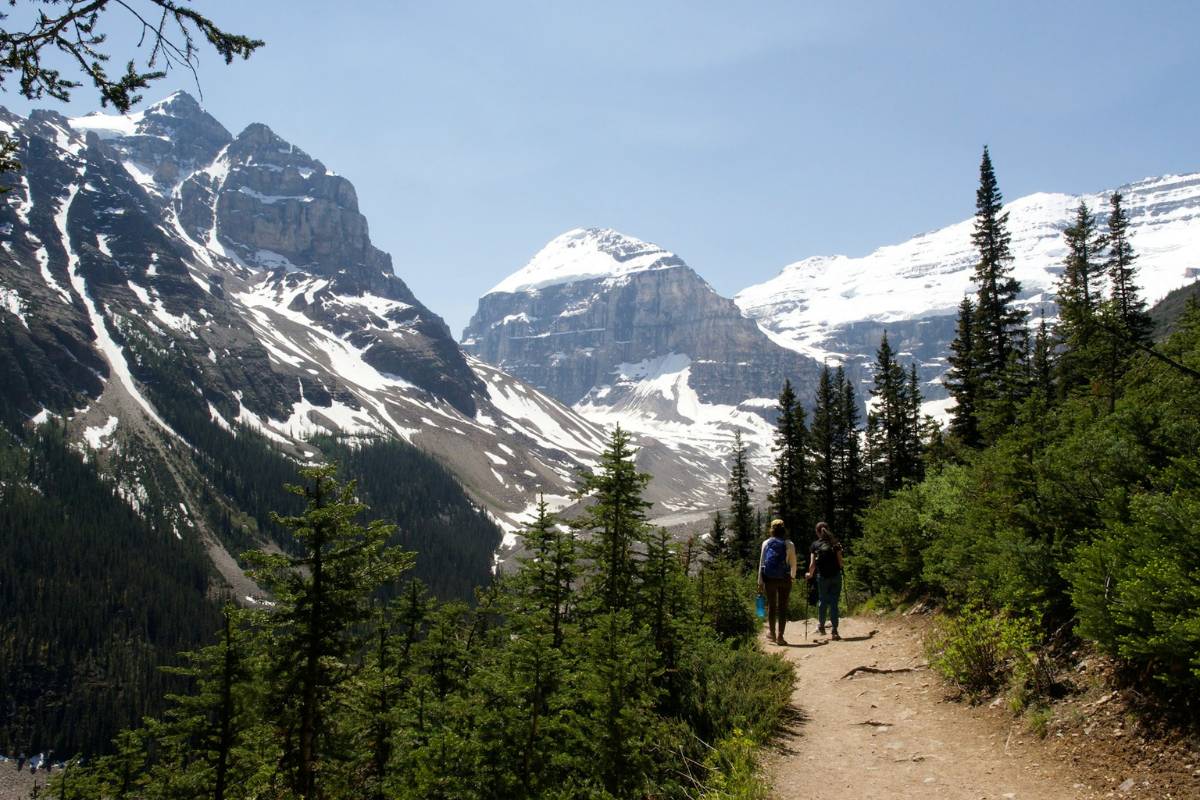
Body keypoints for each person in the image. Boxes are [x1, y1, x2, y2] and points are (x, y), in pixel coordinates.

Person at [757, 519, 797, 645]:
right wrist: (793, 576)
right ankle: (780, 636)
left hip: (769, 578)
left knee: (772, 606)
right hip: (785, 578)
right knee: (783, 607)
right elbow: (793, 563)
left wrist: (760, 581)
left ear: (772, 529)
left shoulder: (766, 543)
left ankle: (772, 634)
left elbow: (762, 563)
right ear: (783, 529)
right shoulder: (789, 544)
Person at [805, 521, 844, 639]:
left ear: (817, 532)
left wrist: (809, 575)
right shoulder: (835, 543)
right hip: (836, 576)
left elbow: (812, 564)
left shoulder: (815, 545)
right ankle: (835, 630)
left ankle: (821, 625)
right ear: (828, 529)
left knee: (822, 601)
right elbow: (840, 562)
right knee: (834, 602)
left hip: (822, 577)